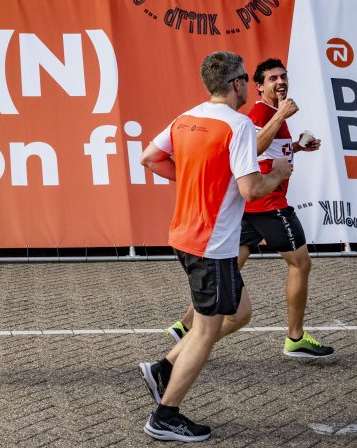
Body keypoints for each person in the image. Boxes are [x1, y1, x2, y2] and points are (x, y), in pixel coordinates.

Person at [137, 51, 293, 442]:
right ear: (239, 83)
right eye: (246, 78)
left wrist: (195, 182)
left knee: (239, 313)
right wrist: (277, 174)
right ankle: (165, 415)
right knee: (206, 331)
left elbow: (149, 158)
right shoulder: (239, 126)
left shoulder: (186, 117)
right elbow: (250, 189)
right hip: (212, 243)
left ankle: (163, 369)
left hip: (187, 236)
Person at [164, 58, 334, 359]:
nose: (280, 82)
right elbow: (252, 147)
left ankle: (184, 325)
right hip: (267, 203)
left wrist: (295, 147)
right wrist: (280, 116)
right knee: (301, 264)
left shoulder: (271, 113)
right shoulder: (261, 112)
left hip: (252, 206)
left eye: (283, 76)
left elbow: (267, 149)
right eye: (272, 78)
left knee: (231, 267)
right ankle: (295, 338)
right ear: (257, 85)